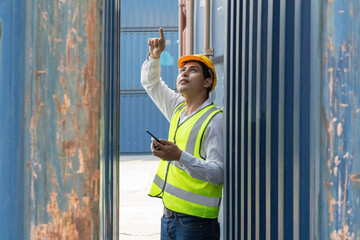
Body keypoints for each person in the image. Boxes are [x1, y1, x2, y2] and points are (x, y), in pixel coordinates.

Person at [141, 28, 223, 240]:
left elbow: (218, 173)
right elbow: (151, 84)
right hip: (168, 217)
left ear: (207, 82)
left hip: (197, 225)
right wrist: (154, 57)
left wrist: (178, 156)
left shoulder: (215, 120)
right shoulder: (178, 108)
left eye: (193, 70)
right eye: (182, 70)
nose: (184, 73)